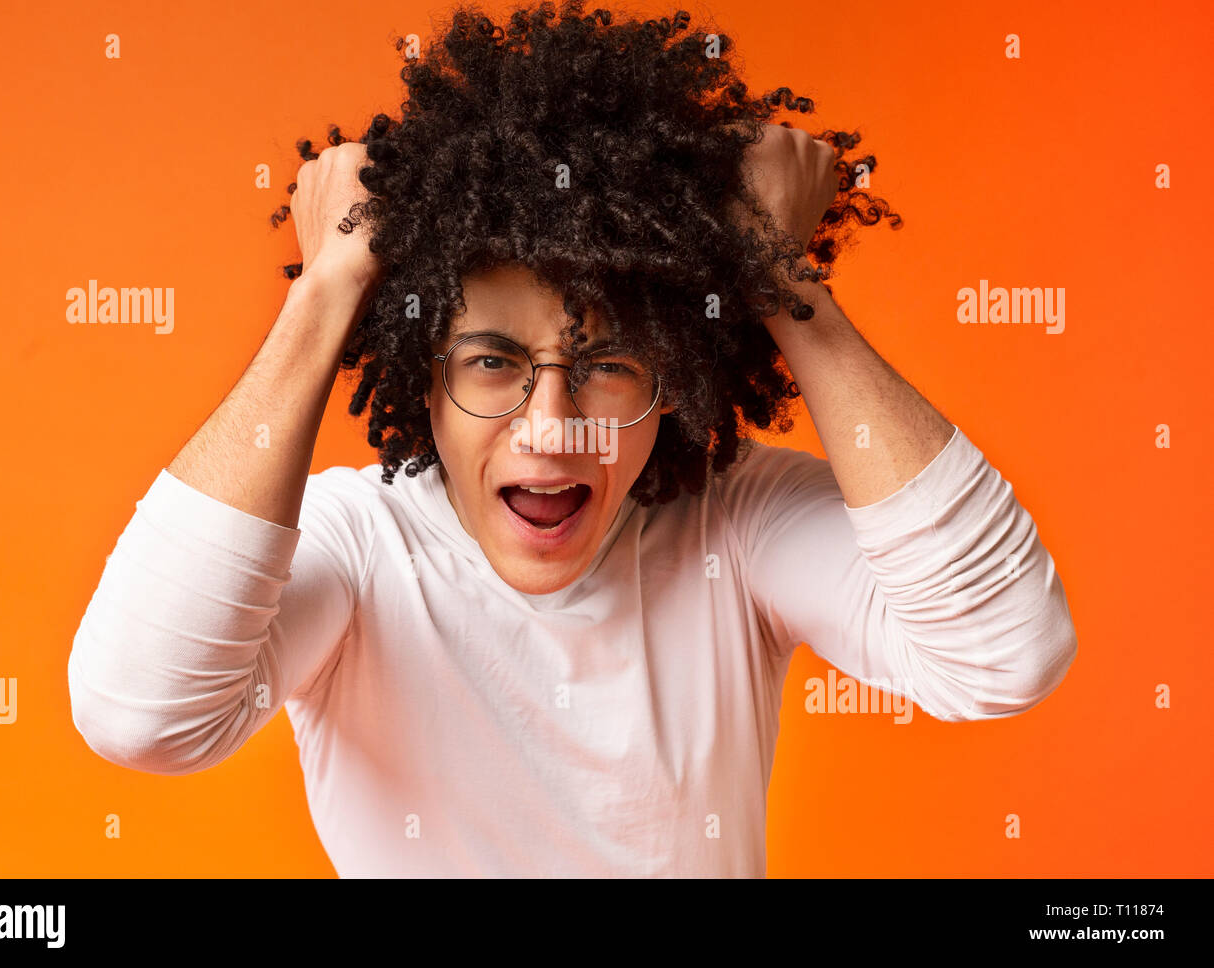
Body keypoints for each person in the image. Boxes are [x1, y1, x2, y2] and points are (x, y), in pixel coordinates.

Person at [67, 1, 1077, 876]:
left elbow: (1004, 655)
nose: (554, 430)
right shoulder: (357, 542)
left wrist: (779, 277)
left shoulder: (737, 519)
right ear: (420, 371)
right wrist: (326, 289)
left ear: (677, 369)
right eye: (492, 362)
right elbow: (140, 716)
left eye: (609, 360)